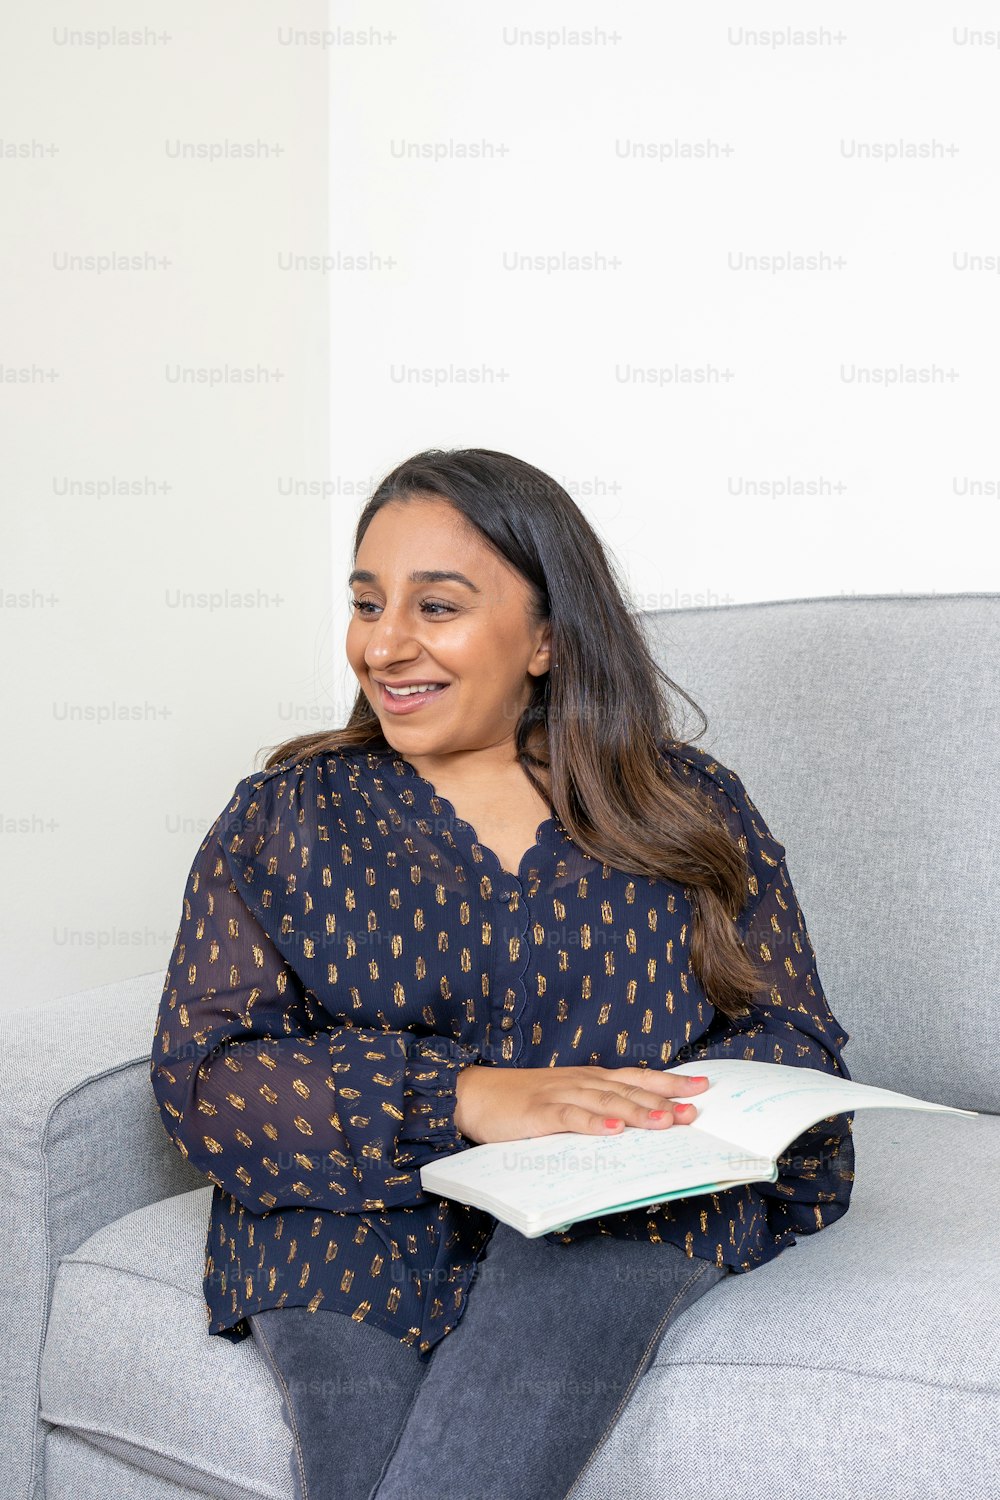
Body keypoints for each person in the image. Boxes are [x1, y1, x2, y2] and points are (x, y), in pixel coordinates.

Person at [150, 448, 855, 1500]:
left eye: (436, 607)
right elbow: (207, 1080)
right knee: (361, 1455)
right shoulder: (284, 819)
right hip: (346, 1214)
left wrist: (647, 1118)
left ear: (545, 639)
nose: (383, 645)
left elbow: (788, 1036)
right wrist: (465, 1098)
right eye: (365, 603)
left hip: (618, 1205)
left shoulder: (685, 806)